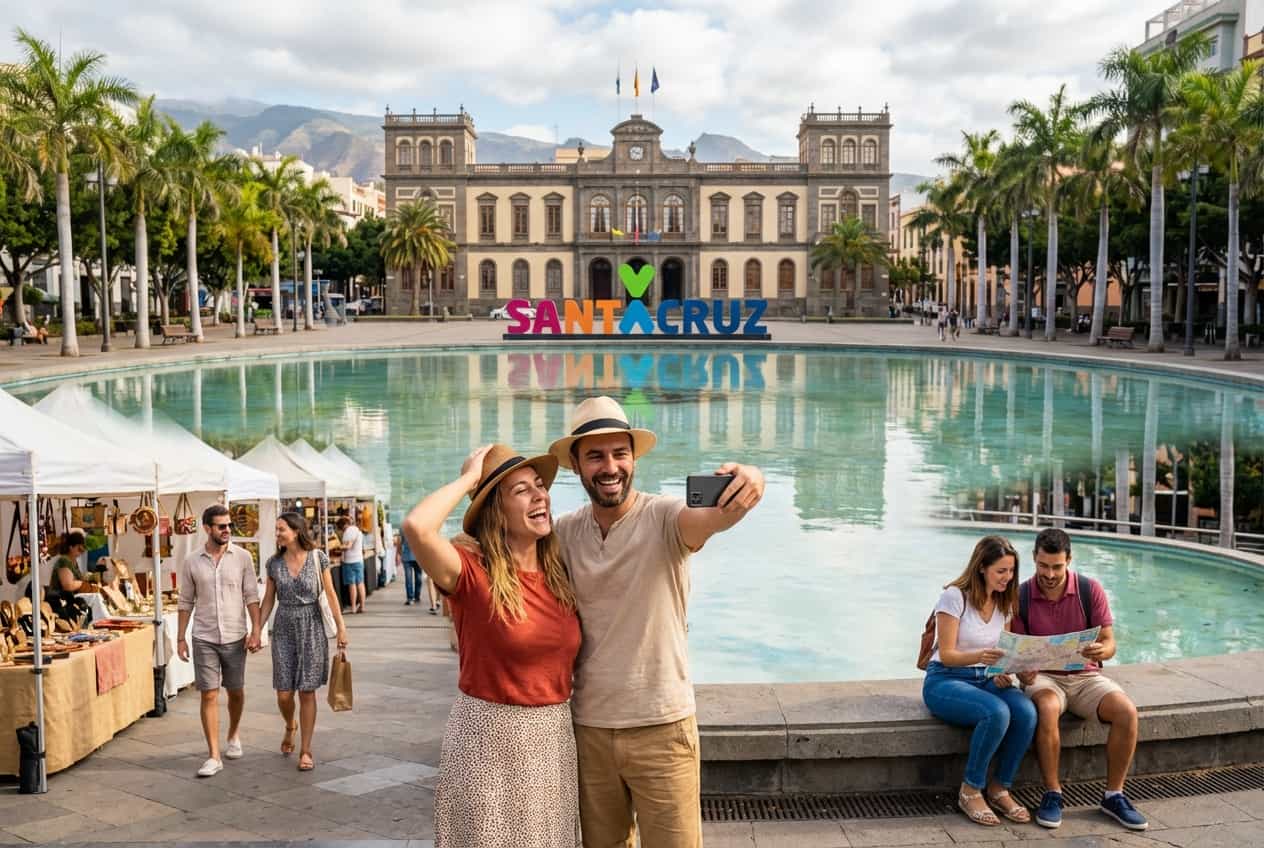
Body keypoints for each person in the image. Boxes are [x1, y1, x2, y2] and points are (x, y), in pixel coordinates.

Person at [548, 395, 765, 848]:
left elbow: (716, 514)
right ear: (575, 466)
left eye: (620, 453)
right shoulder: (565, 532)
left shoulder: (665, 517)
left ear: (633, 458)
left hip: (662, 728)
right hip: (589, 728)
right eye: (595, 456)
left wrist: (753, 478)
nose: (610, 467)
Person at [402, 443, 581, 847]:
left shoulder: (559, 574)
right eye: (521, 490)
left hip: (552, 740)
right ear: (495, 511)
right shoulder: (471, 574)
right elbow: (417, 526)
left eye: (540, 485)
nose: (540, 495)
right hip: (489, 741)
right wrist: (470, 480)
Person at [1013, 528, 1146, 831]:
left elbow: (1110, 642)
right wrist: (1022, 670)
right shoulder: (1020, 595)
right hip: (1044, 678)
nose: (1049, 573)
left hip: (1085, 676)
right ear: (1034, 558)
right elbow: (1016, 651)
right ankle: (1052, 793)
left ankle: (1114, 796)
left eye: (1057, 566)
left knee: (1127, 711)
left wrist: (1103, 648)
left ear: (1069, 560)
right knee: (1046, 707)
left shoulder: (1090, 590)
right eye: (1043, 565)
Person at [922, 535, 1035, 828]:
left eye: (1011, 571)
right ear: (982, 567)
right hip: (945, 680)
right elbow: (946, 655)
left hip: (985, 677)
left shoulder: (1004, 600)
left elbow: (1003, 652)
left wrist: (1010, 669)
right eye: (1001, 571)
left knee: (1025, 711)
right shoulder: (954, 596)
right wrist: (982, 656)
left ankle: (999, 788)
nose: (1007, 578)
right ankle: (971, 790)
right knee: (995, 712)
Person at [176, 505, 262, 779]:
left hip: (236, 635)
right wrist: (180, 636)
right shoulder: (192, 561)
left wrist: (257, 629)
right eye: (221, 526)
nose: (227, 530)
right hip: (204, 636)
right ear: (207, 528)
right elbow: (185, 601)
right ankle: (213, 755)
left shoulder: (243, 558)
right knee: (209, 693)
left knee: (235, 691)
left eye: (228, 526)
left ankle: (233, 734)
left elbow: (251, 595)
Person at [258, 512, 348, 772]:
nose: (277, 534)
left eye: (281, 529)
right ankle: (290, 725)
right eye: (276, 530)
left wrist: (342, 629)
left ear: (296, 531)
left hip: (312, 626)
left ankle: (306, 750)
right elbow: (268, 601)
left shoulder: (318, 558)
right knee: (284, 693)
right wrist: (257, 630)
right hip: (284, 627)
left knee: (307, 691)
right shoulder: (273, 563)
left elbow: (330, 594)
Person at [336, 515, 365, 613]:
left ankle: (353, 607)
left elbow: (348, 546)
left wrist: (338, 547)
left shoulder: (348, 532)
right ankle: (362, 606)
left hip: (349, 561)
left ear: (343, 525)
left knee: (352, 585)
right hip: (359, 560)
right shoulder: (358, 530)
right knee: (360, 583)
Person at [398, 530, 425, 608]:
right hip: (408, 557)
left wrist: (399, 554)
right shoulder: (404, 527)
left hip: (417, 557)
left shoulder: (406, 526)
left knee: (417, 578)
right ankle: (411, 597)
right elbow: (399, 542)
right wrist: (399, 554)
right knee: (410, 578)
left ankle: (415, 597)